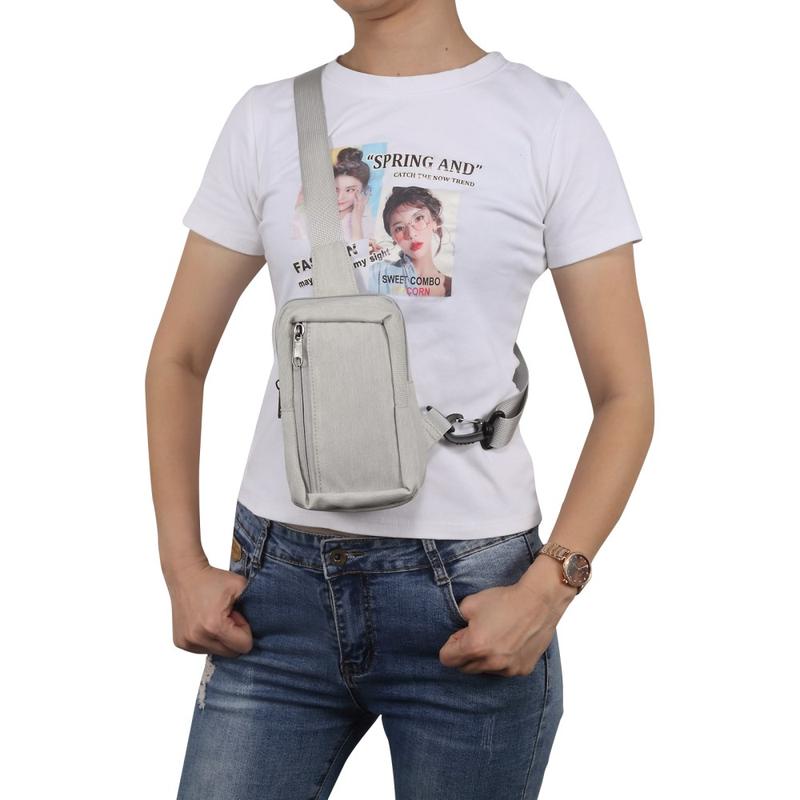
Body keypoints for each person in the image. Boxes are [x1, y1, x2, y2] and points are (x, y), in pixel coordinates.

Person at [144, 2, 653, 798]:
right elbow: (177, 359)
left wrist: (548, 589)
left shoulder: (547, 120)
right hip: (274, 595)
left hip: (472, 588)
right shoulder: (265, 118)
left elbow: (626, 397)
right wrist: (181, 566)